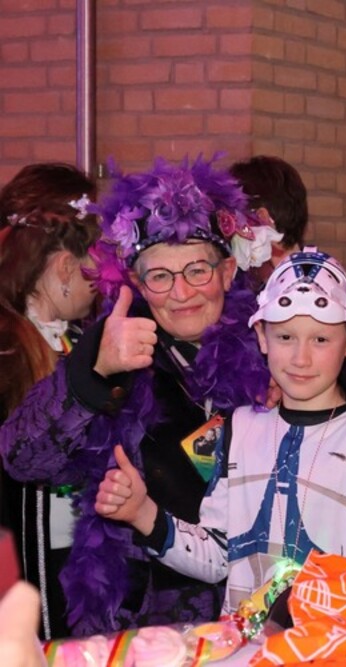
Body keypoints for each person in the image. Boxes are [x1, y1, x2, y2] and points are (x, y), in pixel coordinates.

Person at [0, 157, 282, 635]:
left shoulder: (275, 346)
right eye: (160, 276)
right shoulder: (115, 353)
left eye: (197, 270)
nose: (181, 293)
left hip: (255, 617)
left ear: (228, 271)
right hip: (145, 628)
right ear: (137, 283)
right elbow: (21, 458)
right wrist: (93, 374)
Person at [94, 249, 346, 615]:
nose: (300, 358)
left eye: (320, 340)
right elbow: (218, 557)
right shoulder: (239, 426)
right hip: (241, 644)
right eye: (285, 337)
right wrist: (142, 512)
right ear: (261, 337)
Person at [0, 163, 100, 639]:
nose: (102, 274)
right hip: (23, 582)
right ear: (64, 267)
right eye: (96, 257)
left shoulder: (77, 338)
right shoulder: (8, 349)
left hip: (75, 565)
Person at [229, 156, 309, 289]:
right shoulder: (319, 276)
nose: (226, 230)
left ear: (261, 219)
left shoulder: (300, 295)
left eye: (233, 219)